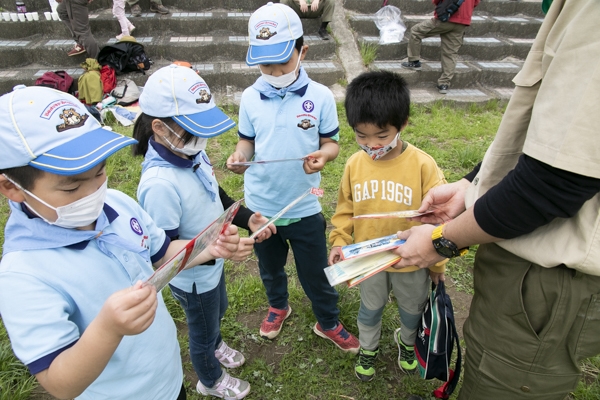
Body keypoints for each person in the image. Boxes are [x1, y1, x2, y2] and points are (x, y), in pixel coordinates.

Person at [394, 0, 600, 398]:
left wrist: (443, 240)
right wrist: (471, 185)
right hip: (532, 277)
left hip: (544, 284)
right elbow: (542, 143)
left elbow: (555, 182)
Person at [0, 86, 242, 400]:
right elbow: (60, 383)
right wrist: (107, 328)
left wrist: (205, 248)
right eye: (71, 188)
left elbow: (160, 255)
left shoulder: (117, 204)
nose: (93, 194)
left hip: (168, 379)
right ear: (12, 187)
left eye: (99, 173)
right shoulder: (23, 275)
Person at [133, 64, 276, 399]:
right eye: (193, 129)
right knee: (201, 328)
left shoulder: (191, 152)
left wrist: (247, 218)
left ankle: (216, 342)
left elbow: (218, 198)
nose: (203, 138)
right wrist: (215, 248)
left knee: (220, 309)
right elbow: (162, 253)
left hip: (213, 265)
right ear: (159, 127)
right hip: (192, 278)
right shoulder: (159, 185)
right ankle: (210, 379)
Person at [227, 2, 360, 354]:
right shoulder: (250, 97)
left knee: (316, 271)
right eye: (264, 64)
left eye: (281, 62)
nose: (272, 71)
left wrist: (324, 156)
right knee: (269, 267)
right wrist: (241, 157)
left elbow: (331, 142)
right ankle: (278, 305)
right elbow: (247, 140)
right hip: (260, 209)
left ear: (303, 50)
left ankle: (327, 320)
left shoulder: (319, 97)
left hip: (302, 205)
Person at [328, 70, 446, 382]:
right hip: (369, 258)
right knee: (370, 308)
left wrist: (438, 260)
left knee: (411, 309)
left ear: (402, 124)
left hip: (412, 257)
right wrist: (339, 241)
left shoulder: (423, 165)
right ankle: (368, 347)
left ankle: (407, 343)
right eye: (361, 135)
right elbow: (345, 209)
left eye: (381, 136)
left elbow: (441, 219)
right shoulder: (355, 164)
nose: (371, 145)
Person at [401, 0, 480, 94]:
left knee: (416, 31)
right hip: (462, 22)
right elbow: (476, 2)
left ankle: (414, 61)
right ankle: (444, 84)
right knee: (450, 53)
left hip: (446, 18)